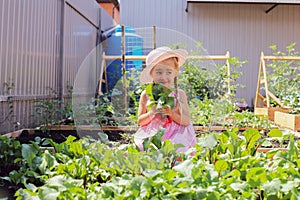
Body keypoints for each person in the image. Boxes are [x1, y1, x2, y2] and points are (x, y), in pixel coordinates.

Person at [134, 46, 197, 152]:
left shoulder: (179, 95)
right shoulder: (146, 94)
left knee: (176, 147)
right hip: (153, 131)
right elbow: (140, 121)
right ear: (151, 73)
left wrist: (171, 114)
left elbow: (186, 121)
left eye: (169, 72)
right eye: (159, 72)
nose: (163, 77)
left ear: (175, 73)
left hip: (175, 132)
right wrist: (152, 113)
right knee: (144, 147)